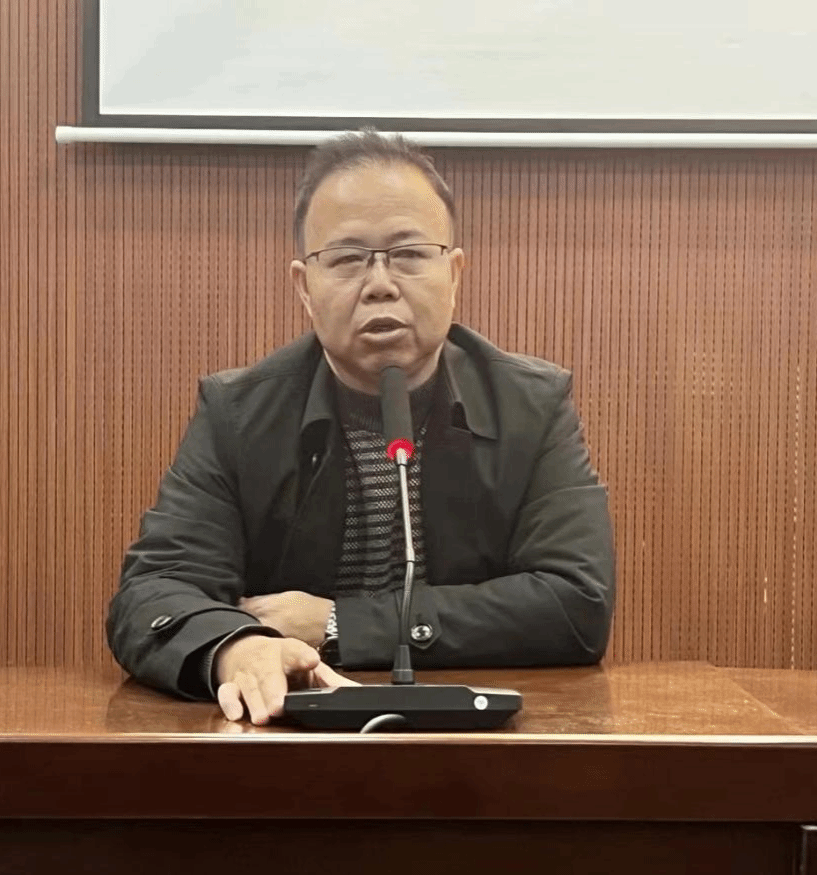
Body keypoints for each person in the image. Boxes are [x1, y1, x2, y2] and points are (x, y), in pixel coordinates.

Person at [107, 129, 615, 725]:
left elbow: (575, 603)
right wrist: (234, 648)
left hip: (480, 736)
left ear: (454, 274)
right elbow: (152, 593)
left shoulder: (532, 405)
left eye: (409, 254)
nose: (379, 284)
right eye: (347, 258)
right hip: (289, 733)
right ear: (304, 287)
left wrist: (338, 623)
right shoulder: (239, 414)